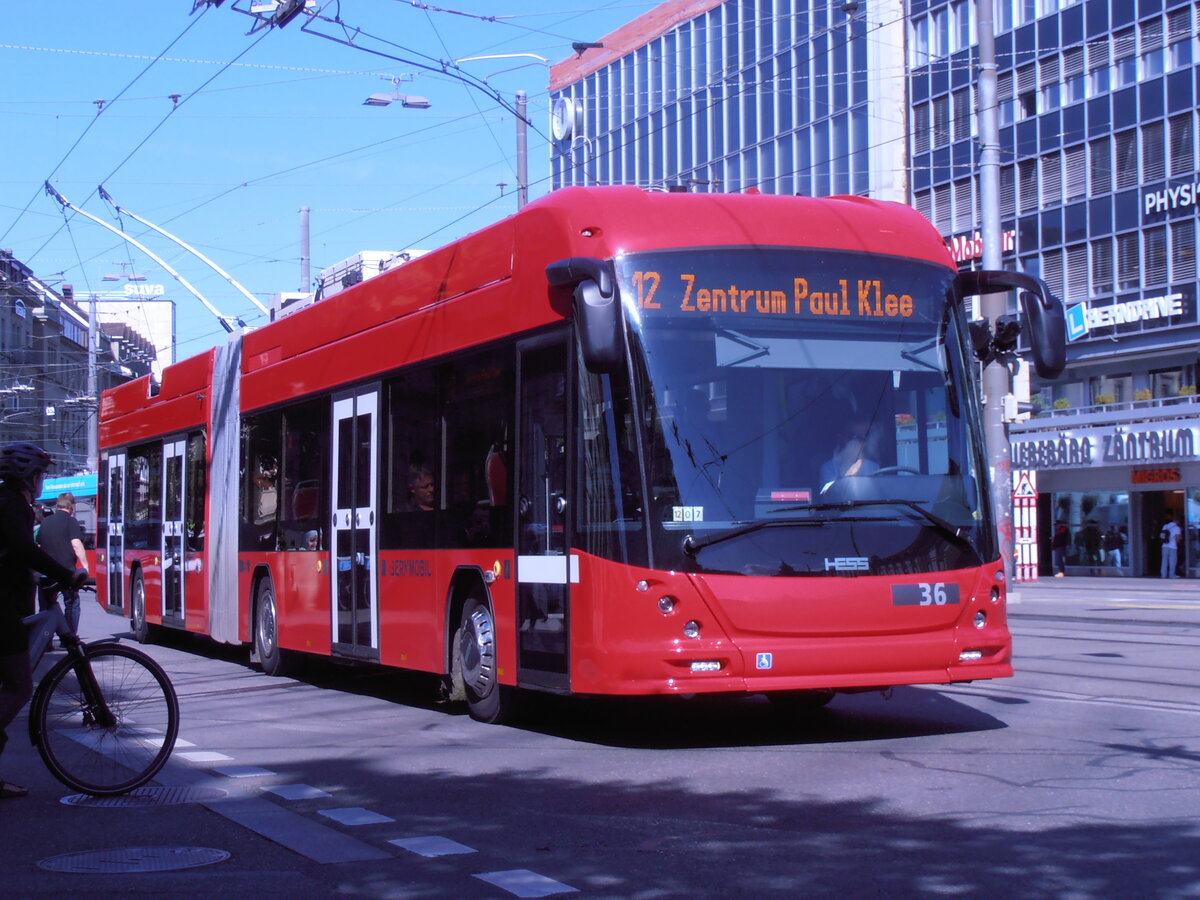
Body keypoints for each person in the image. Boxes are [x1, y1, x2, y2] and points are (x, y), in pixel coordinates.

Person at [0, 444, 87, 799]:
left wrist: (39, 576)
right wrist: (66, 574)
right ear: (29, 476)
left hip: (8, 601)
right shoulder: (11, 504)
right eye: (40, 475)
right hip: (1, 607)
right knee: (20, 686)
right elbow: (23, 549)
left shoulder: (9, 502)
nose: (42, 481)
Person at [36, 492, 90, 635]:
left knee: (46, 606)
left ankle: (45, 640)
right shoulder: (71, 521)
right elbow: (76, 545)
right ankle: (69, 637)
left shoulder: (45, 522)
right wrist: (85, 567)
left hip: (46, 571)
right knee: (72, 604)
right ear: (71, 508)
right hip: (66, 572)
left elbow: (39, 545)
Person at [1161, 514, 1182, 579]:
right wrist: (1178, 542)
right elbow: (1177, 538)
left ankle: (1163, 575)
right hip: (1172, 546)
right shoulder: (1177, 528)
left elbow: (1162, 535)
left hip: (1164, 546)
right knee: (1172, 561)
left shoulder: (1165, 526)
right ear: (1178, 521)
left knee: (1164, 561)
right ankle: (1171, 575)